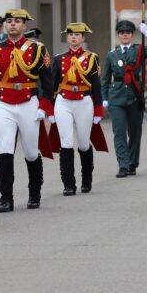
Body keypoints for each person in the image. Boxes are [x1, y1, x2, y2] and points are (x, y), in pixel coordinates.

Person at [0, 9, 54, 212]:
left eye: (17, 21)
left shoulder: (38, 49)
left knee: (31, 152)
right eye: (9, 21)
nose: (12, 24)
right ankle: (6, 198)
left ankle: (35, 194)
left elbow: (48, 82)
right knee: (5, 150)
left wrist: (44, 107)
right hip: (4, 102)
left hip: (28, 101)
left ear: (25, 26)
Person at [101, 19, 147, 178]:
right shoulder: (112, 55)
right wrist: (104, 98)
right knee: (119, 132)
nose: (125, 35)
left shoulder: (139, 50)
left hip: (134, 95)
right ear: (118, 35)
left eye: (128, 33)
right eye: (122, 33)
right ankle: (123, 165)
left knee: (135, 132)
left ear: (132, 34)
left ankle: (132, 162)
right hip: (117, 97)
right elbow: (106, 79)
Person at [50, 22, 104, 196]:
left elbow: (96, 85)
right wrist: (49, 109)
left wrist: (98, 109)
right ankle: (68, 184)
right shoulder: (59, 59)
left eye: (77, 34)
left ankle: (86, 180)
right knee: (66, 142)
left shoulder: (92, 58)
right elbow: (52, 84)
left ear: (83, 37)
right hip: (63, 101)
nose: (73, 37)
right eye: (70, 34)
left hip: (84, 101)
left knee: (83, 142)